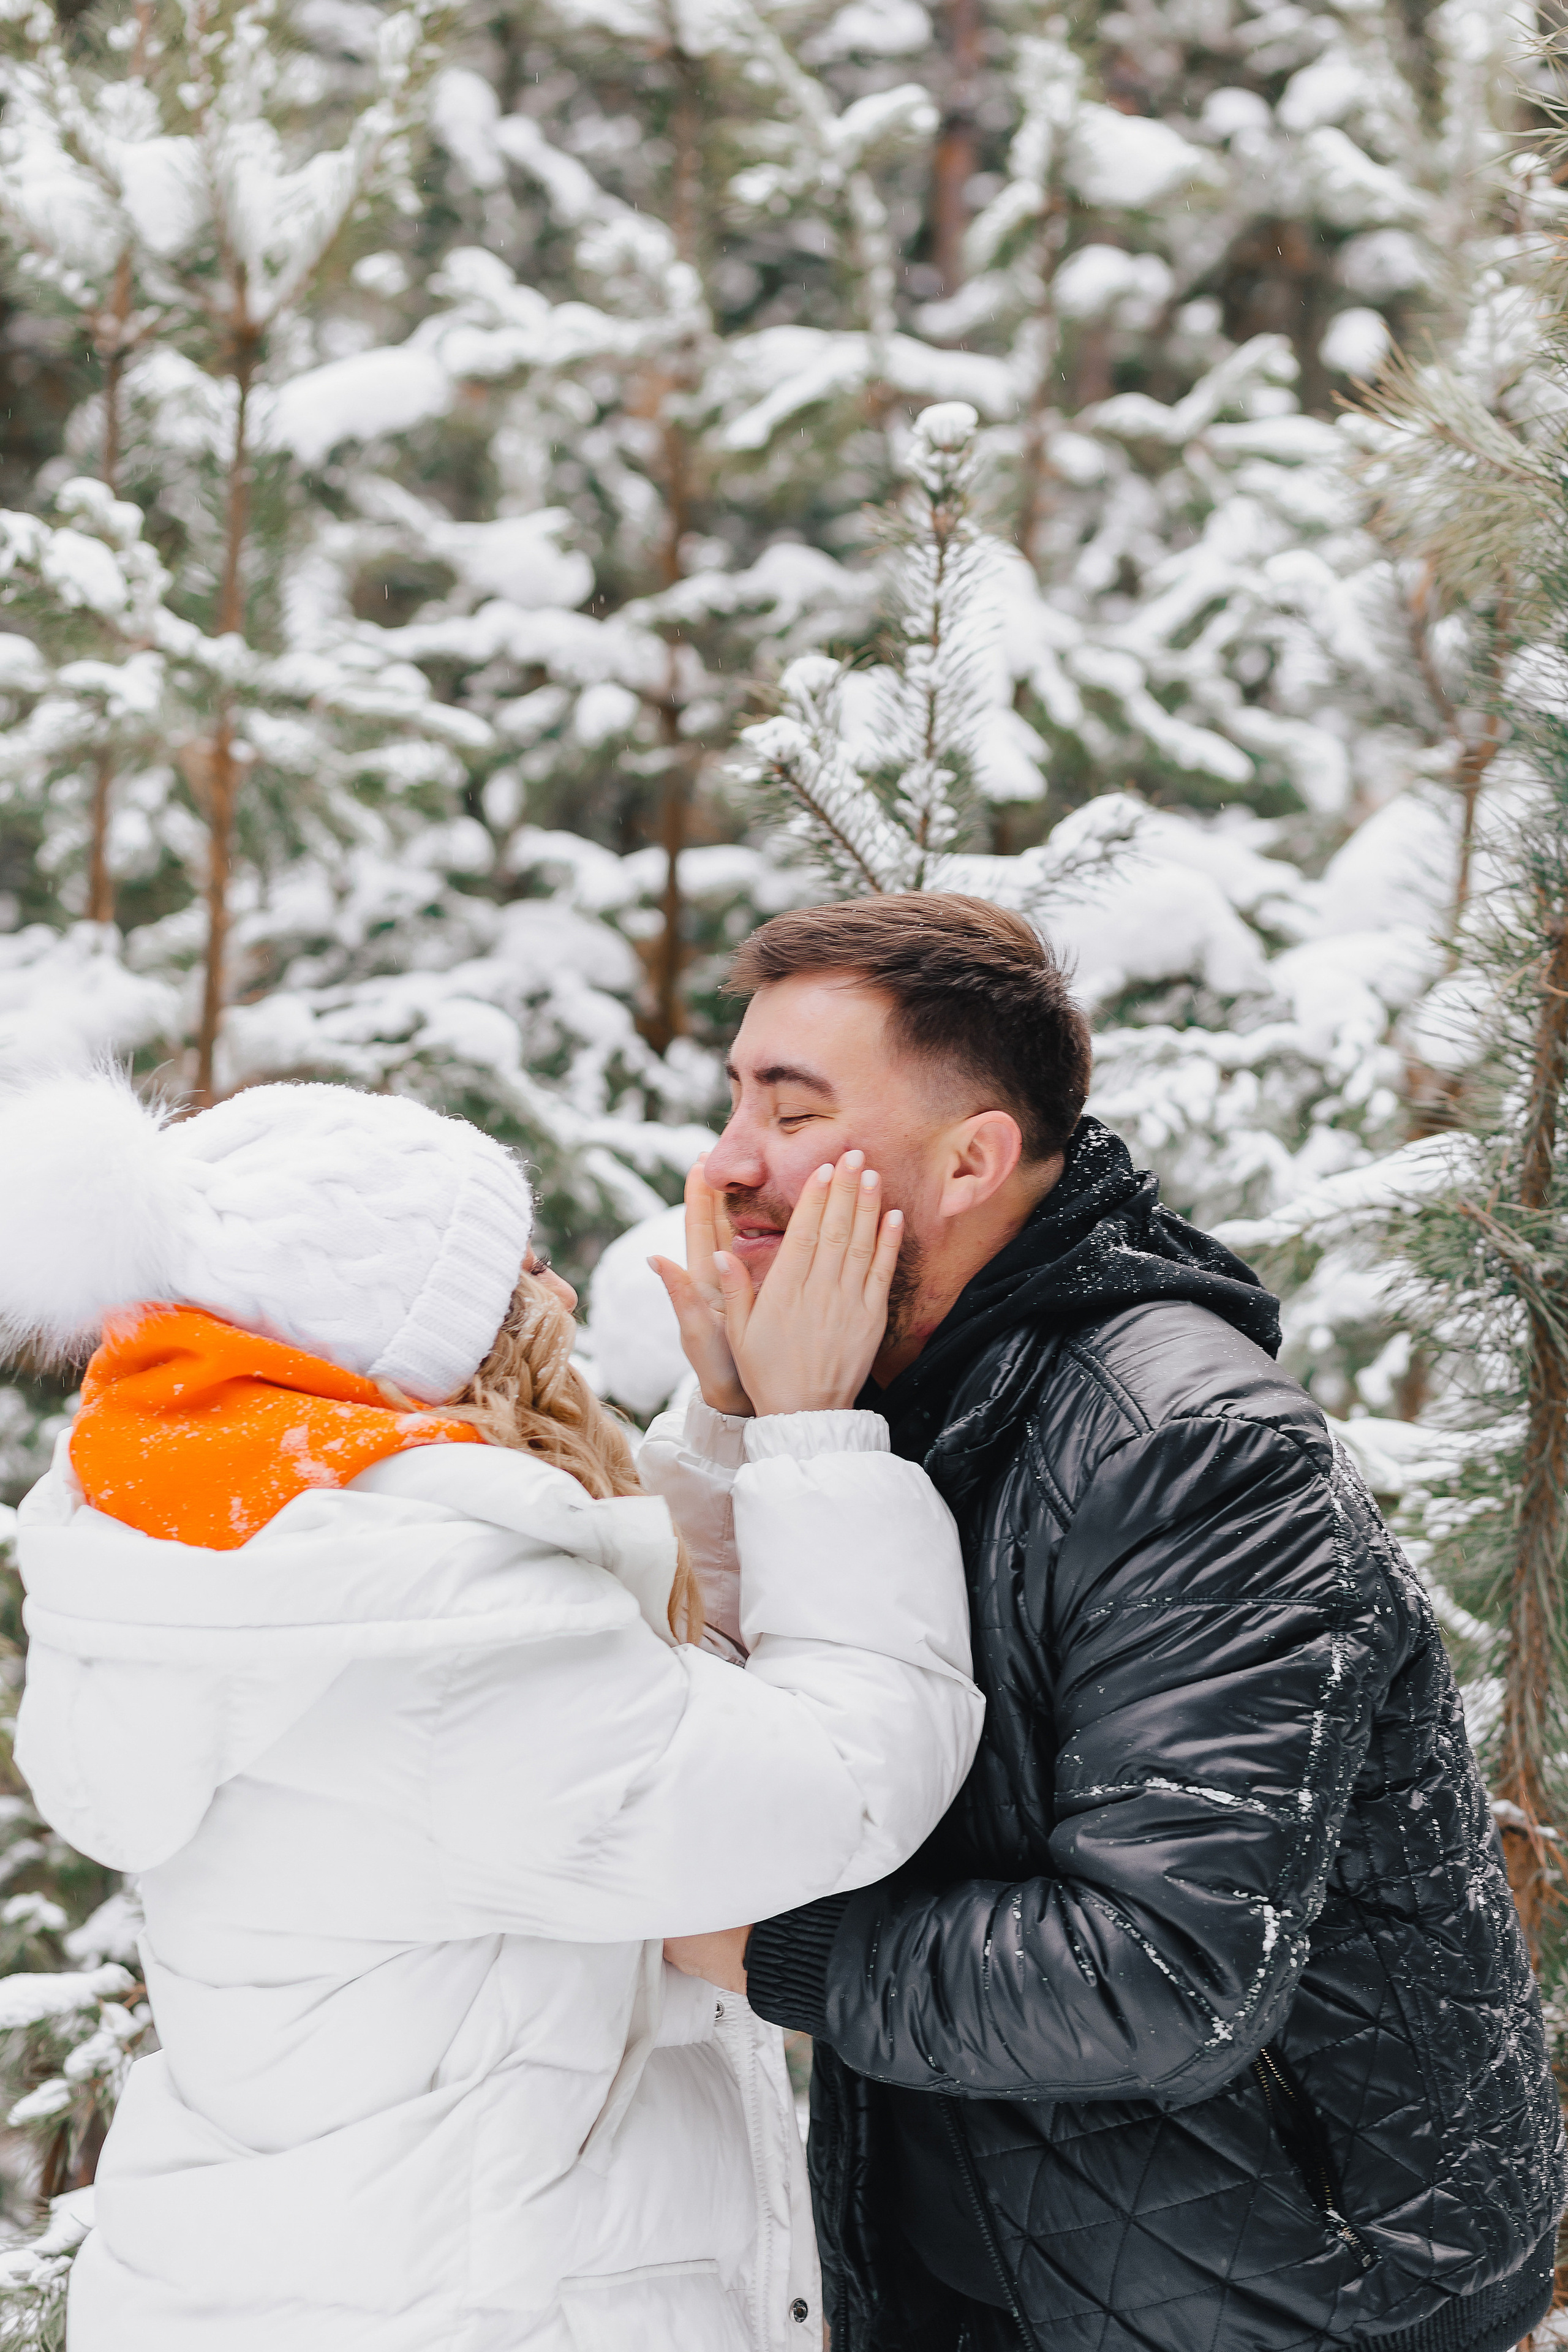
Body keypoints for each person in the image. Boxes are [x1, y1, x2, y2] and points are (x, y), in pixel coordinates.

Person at [650, 892, 1565, 2352]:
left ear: (969, 1159)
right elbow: (766, 1746)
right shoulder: (891, 1392)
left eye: (793, 1108)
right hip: (1029, 2267)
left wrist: (772, 1946)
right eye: (735, 1101)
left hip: (1287, 2297)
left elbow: (1166, 1970)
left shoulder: (1179, 1445)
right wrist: (747, 1423)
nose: (730, 1162)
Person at [0, 1068, 984, 2352]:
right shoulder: (445, 1641)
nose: (560, 1295)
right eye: (515, 1269)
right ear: (404, 1329)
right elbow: (833, 1790)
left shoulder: (254, 1541)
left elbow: (623, 1686)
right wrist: (815, 1433)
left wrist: (733, 1436)